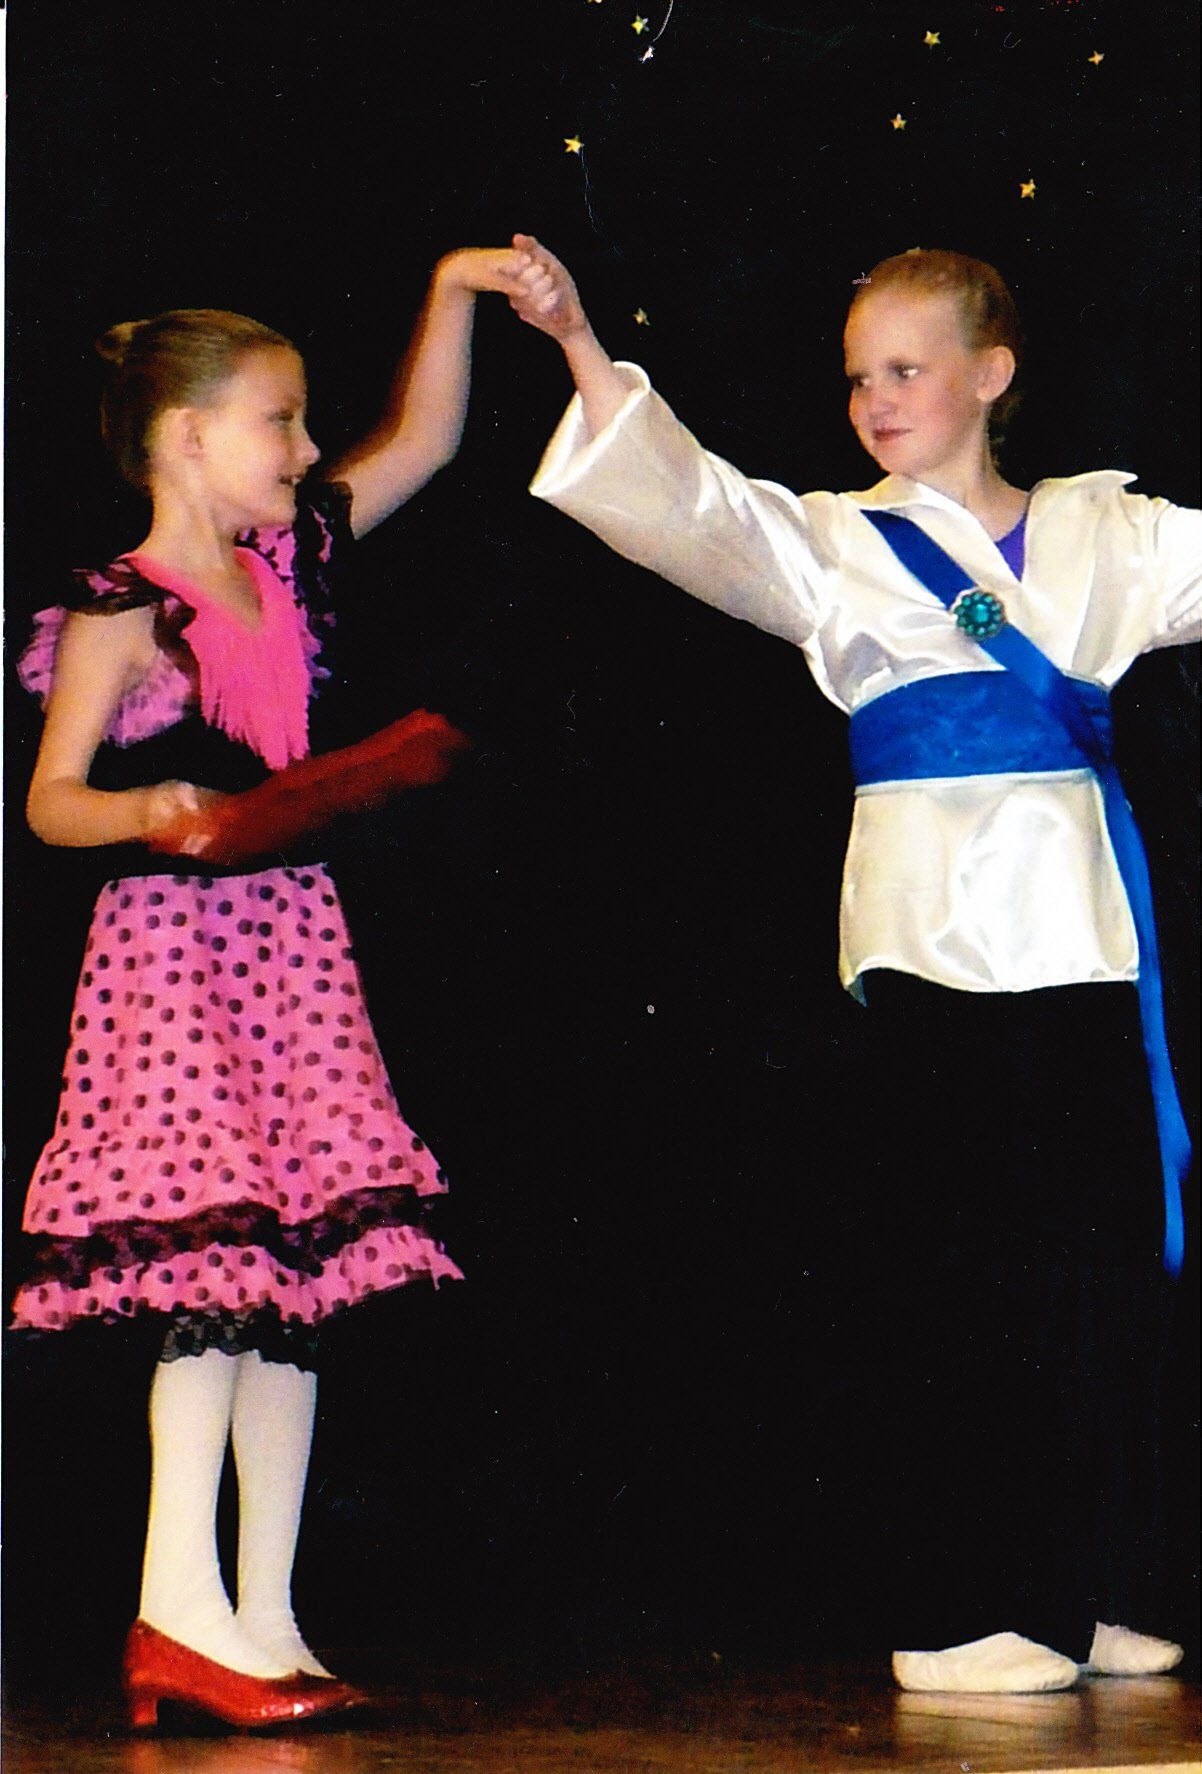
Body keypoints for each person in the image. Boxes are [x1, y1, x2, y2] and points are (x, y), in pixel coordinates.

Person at [504, 235, 1199, 1692]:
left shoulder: (1109, 532)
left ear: (991, 374)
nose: (872, 400)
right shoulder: (831, 542)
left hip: (1082, 936)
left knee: (1089, 1271)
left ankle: (1084, 1586)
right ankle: (956, 1609)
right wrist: (574, 339)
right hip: (924, 942)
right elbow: (682, 498)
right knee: (956, 1279)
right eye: (855, 378)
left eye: (903, 369)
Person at [11, 248, 531, 1729]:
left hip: (291, 946)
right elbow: (51, 801)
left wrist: (449, 287)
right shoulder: (121, 605)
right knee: (209, 1275)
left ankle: (264, 1612)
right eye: (280, 421)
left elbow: (423, 440)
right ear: (187, 436)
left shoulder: (288, 564)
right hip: (176, 959)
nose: (305, 450)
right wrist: (150, 804)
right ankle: (174, 1605)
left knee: (292, 1280)